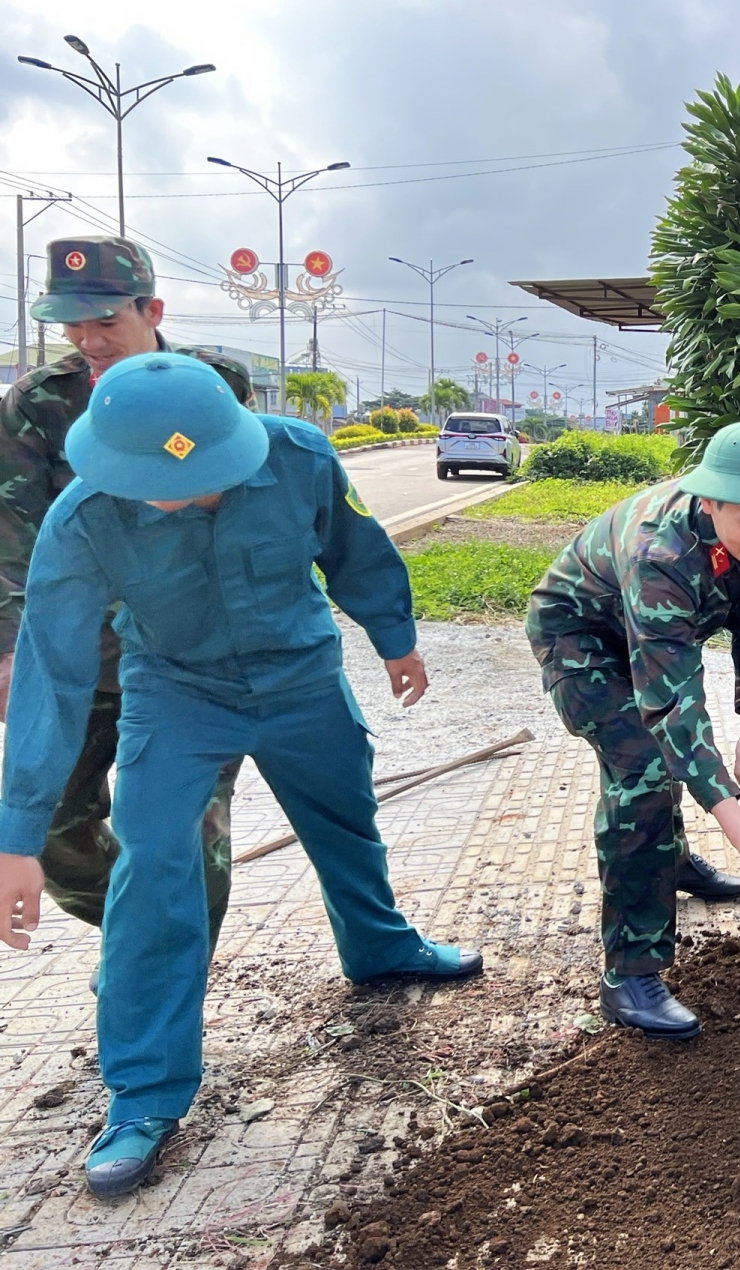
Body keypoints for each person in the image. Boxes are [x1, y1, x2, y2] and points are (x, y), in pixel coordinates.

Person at [0, 352, 482, 1198]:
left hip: (301, 676)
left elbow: (354, 547)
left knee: (345, 816)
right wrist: (18, 834)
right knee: (153, 868)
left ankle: (378, 945)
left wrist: (394, 636)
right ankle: (144, 1092)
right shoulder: (83, 517)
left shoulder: (297, 454)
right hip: (177, 695)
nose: (168, 495)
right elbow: (52, 672)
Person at [526, 418, 740, 1039]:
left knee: (664, 772)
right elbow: (674, 708)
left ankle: (672, 861)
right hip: (583, 640)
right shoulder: (660, 553)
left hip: (648, 637)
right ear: (710, 500)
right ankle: (629, 971)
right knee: (642, 773)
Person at [0, 236, 250, 947]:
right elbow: (11, 542)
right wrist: (12, 654)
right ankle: (143, 943)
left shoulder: (212, 387)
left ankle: (167, 987)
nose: (87, 339)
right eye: (71, 324)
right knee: (47, 826)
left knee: (188, 834)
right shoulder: (37, 405)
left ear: (151, 310)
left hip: (191, 657)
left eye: (105, 321)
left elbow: (250, 511)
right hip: (85, 658)